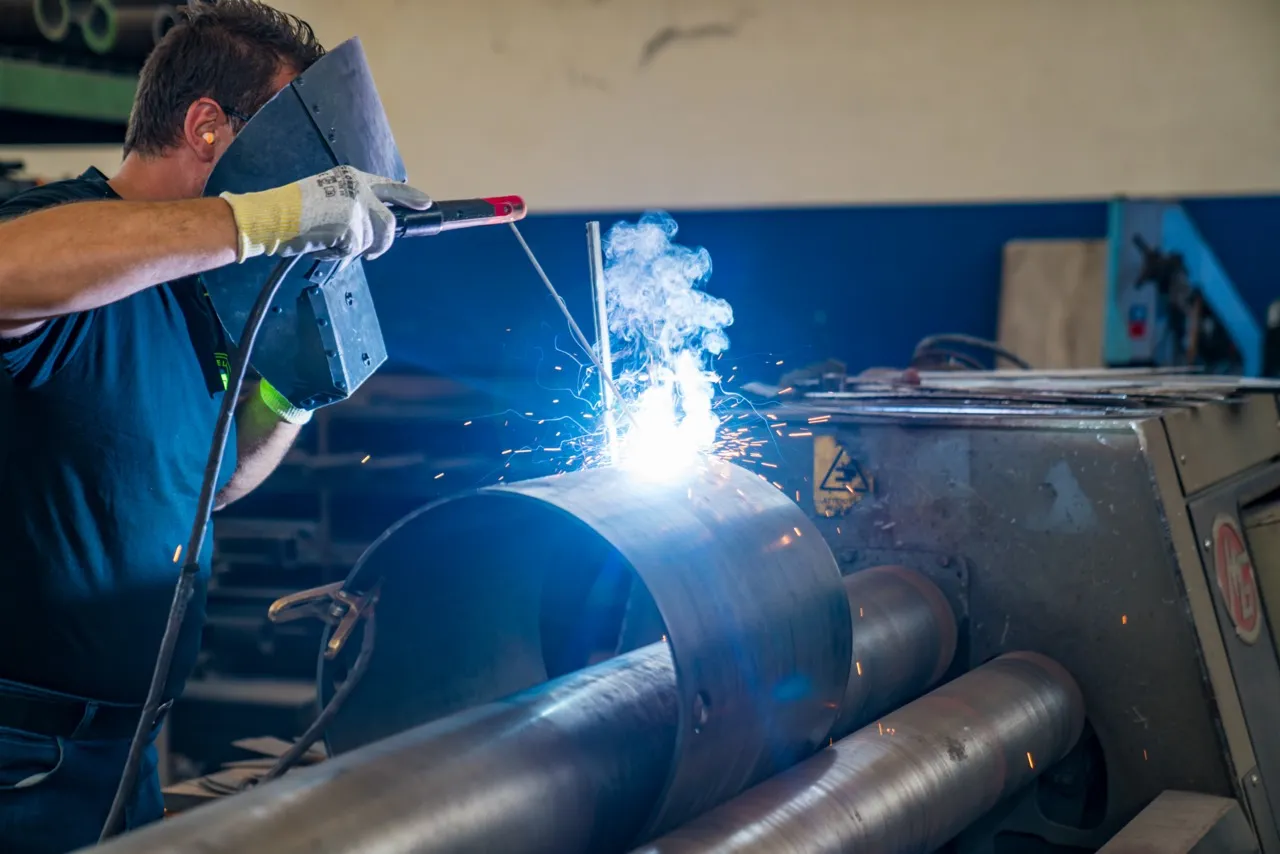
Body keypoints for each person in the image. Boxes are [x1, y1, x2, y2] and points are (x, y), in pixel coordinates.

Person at [0, 2, 431, 851]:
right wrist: (258, 219)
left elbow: (210, 483)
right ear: (205, 127)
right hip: (17, 761)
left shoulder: (205, 291)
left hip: (123, 752)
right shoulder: (57, 237)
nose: (301, 182)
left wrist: (291, 398)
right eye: (292, 155)